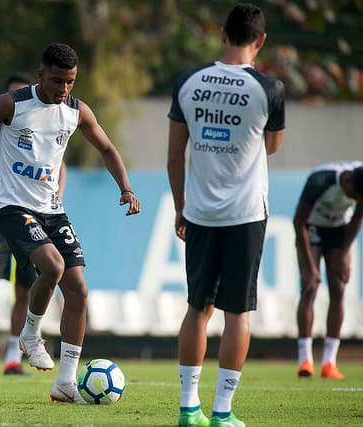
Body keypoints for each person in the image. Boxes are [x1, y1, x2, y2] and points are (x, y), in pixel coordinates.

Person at [0, 42, 140, 403]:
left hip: (52, 209)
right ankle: (30, 334)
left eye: (70, 82)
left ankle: (65, 382)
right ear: (41, 74)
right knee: (52, 267)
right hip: (11, 207)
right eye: (57, 81)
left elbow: (106, 148)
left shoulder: (76, 111)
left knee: (78, 290)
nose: (63, 89)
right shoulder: (12, 104)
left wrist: (126, 187)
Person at [167, 3, 284, 427]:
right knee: (238, 313)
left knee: (198, 308)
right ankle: (221, 413)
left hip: (198, 212)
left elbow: (175, 155)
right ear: (261, 40)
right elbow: (271, 146)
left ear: (222, 34)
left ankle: (187, 409)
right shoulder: (269, 88)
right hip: (246, 214)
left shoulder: (188, 82)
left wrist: (180, 207)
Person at [0, 73, 68, 376]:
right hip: (0, 217)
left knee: (26, 290)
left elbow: (59, 166)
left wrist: (53, 200)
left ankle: (12, 358)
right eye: (12, 93)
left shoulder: (45, 120)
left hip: (34, 217)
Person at [294, 161, 363, 380]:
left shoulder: (361, 181)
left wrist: (343, 254)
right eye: (356, 196)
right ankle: (305, 360)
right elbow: (299, 222)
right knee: (309, 287)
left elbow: (356, 220)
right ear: (348, 182)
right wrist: (310, 266)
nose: (356, 201)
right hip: (311, 228)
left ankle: (329, 363)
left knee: (338, 288)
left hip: (337, 231)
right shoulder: (319, 181)